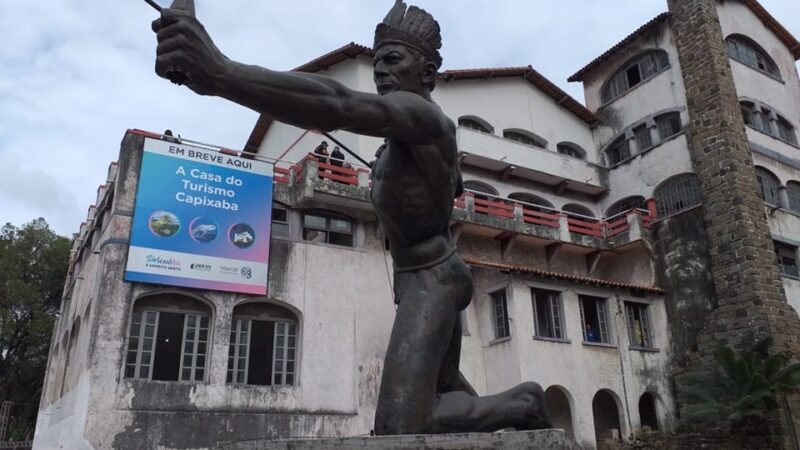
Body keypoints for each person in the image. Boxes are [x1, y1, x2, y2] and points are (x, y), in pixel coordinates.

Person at [152, 0, 550, 435]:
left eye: (393, 60)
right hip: (422, 277)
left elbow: (337, 103)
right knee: (441, 394)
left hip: (432, 278)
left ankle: (525, 404)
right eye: (377, 61)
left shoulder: (424, 117)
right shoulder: (407, 136)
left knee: (401, 423)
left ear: (428, 74)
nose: (380, 70)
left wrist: (221, 73)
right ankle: (513, 420)